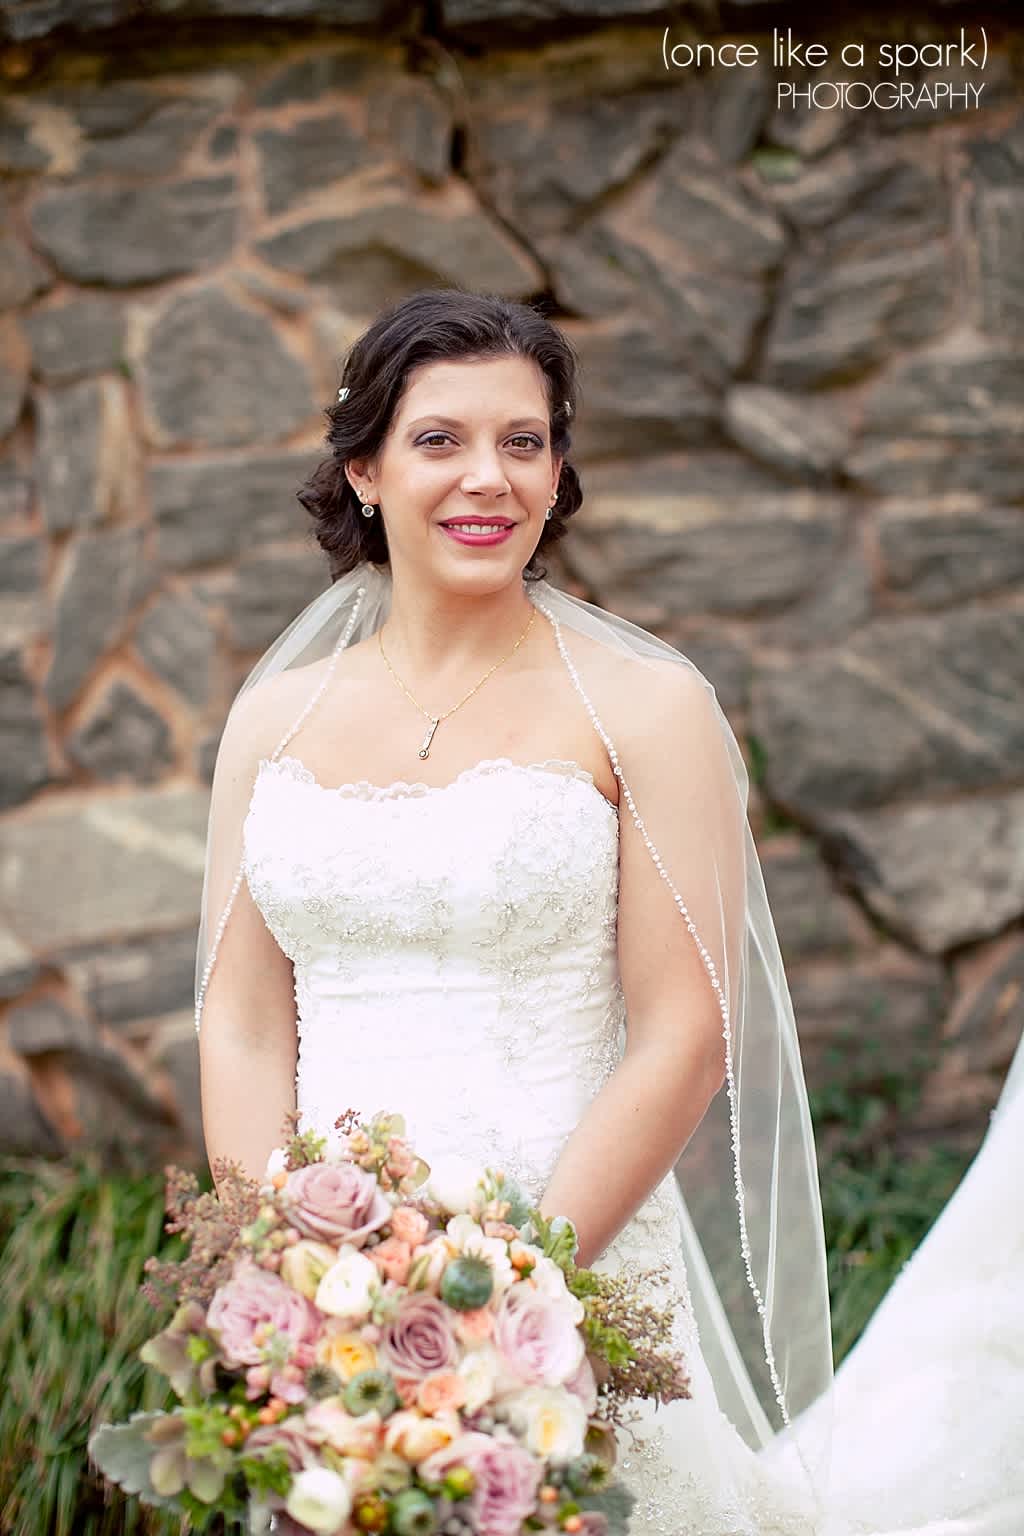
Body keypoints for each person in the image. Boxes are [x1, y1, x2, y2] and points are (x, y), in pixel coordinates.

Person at [195, 288, 1023, 1535]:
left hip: (572, 1255)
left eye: (524, 442)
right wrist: (286, 1272)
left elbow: (683, 1032)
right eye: (439, 440)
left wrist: (509, 1292)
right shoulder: (272, 721)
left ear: (556, 471)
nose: (489, 477)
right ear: (363, 470)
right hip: (338, 1300)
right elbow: (245, 1024)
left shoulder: (645, 708)